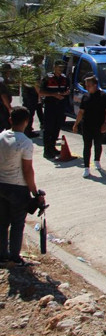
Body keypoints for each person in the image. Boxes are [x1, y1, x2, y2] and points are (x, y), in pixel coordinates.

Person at [0, 107, 45, 266]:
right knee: (17, 224)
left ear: (10, 120)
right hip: (18, 188)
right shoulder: (25, 142)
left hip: (1, 185)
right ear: (27, 121)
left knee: (2, 223)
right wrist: (35, 192)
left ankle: (2, 256)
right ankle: (15, 258)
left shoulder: (1, 137)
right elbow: (27, 170)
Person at [72, 76, 106, 178]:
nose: (87, 87)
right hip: (87, 125)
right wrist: (76, 124)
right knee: (87, 146)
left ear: (95, 85)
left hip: (99, 125)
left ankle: (97, 161)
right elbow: (81, 112)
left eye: (89, 86)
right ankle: (86, 168)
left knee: (98, 144)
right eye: (86, 86)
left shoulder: (103, 96)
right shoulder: (85, 96)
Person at [39, 60, 70, 159]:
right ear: (54, 67)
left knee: (56, 128)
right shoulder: (48, 78)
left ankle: (52, 147)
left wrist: (66, 93)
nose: (61, 69)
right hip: (50, 106)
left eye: (62, 67)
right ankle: (47, 150)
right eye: (59, 67)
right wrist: (54, 95)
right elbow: (41, 92)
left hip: (60, 107)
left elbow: (67, 89)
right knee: (48, 129)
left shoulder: (65, 78)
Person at [21, 55, 44, 138]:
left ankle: (26, 129)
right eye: (41, 59)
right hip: (32, 93)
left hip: (26, 92)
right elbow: (36, 83)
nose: (42, 61)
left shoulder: (27, 67)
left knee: (27, 111)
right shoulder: (35, 69)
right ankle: (28, 131)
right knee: (31, 113)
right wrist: (40, 94)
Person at [0, 64, 12, 131]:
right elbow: (3, 96)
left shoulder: (4, 80)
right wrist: (9, 107)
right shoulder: (2, 81)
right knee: (5, 124)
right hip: (2, 107)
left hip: (3, 106)